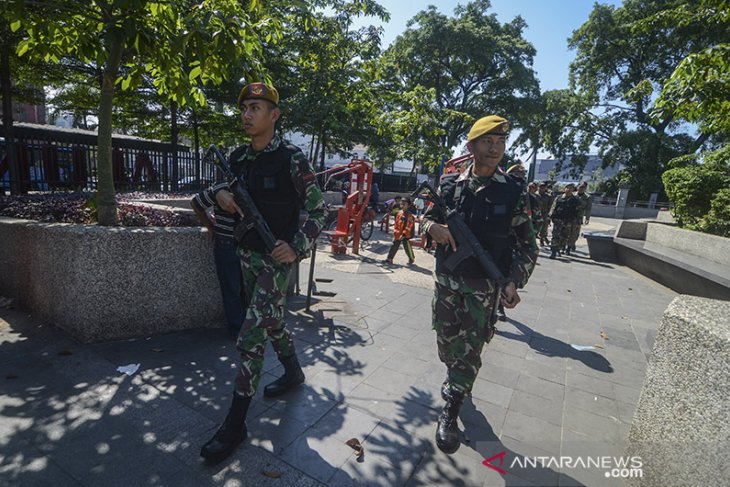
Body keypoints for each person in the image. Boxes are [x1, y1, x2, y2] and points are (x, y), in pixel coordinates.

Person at [200, 82, 326, 464]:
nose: (247, 114)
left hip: (276, 262)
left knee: (251, 334)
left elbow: (320, 212)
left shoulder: (291, 159)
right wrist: (220, 194)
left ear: (274, 115)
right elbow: (216, 192)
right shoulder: (237, 158)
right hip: (246, 257)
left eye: (256, 107)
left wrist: (298, 245)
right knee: (273, 323)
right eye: (245, 108)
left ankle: (235, 423)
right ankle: (293, 373)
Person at [422, 115, 538, 454]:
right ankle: (456, 377)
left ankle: (452, 408)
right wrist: (431, 228)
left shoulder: (513, 191)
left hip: (483, 289)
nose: (495, 148)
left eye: (501, 142)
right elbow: (424, 217)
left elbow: (528, 246)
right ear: (471, 146)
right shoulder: (448, 185)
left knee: (470, 349)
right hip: (446, 283)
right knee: (447, 345)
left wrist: (515, 280)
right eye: (488, 141)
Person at [191, 187, 246, 339]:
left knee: (243, 288)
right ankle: (238, 330)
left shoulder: (254, 180)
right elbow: (196, 203)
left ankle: (245, 328)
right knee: (231, 289)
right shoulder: (222, 187)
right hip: (226, 243)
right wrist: (210, 226)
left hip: (247, 244)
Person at [548, 183, 580, 259]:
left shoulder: (575, 200)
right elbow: (553, 207)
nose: (569, 190)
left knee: (564, 237)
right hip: (558, 220)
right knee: (555, 236)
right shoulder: (558, 198)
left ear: (573, 190)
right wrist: (550, 217)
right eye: (567, 188)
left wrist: (578, 222)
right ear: (565, 188)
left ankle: (559, 248)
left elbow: (578, 212)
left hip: (568, 221)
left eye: (571, 188)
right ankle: (553, 251)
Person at [385, 197, 416, 265]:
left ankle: (411, 258)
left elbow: (408, 226)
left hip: (406, 234)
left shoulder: (409, 215)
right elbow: (396, 222)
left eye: (404, 204)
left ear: (408, 206)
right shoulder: (399, 213)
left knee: (407, 246)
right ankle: (389, 258)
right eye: (401, 204)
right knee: (394, 245)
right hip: (398, 233)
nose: (402, 206)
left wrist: (404, 234)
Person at [567, 181, 593, 252]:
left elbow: (588, 208)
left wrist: (587, 218)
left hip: (578, 218)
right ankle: (567, 246)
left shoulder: (587, 197)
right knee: (567, 231)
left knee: (575, 233)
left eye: (583, 187)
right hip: (569, 216)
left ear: (585, 188)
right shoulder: (572, 195)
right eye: (580, 187)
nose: (581, 188)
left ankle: (571, 244)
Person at [536, 182, 554, 247]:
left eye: (543, 187)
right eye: (540, 187)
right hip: (536, 213)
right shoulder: (535, 195)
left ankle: (542, 240)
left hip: (544, 213)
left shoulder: (548, 196)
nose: (542, 188)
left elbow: (551, 206)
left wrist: (549, 215)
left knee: (544, 227)